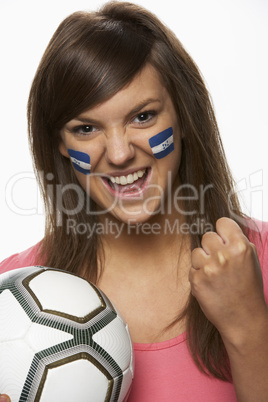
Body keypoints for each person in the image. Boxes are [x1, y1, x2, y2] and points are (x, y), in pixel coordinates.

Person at [0, 1, 267, 401]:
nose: (120, 153)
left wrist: (248, 327)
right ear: (60, 144)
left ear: (183, 118)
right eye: (86, 128)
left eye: (143, 117)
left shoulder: (258, 262)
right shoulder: (11, 303)